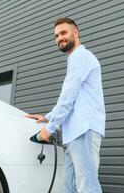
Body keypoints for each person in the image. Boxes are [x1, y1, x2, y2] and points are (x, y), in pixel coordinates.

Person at [26, 17, 105, 193]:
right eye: (56, 36)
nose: (59, 38)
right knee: (69, 186)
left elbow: (67, 97)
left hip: (83, 131)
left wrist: (49, 128)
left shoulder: (81, 56)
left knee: (87, 186)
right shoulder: (75, 60)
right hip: (73, 135)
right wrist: (47, 117)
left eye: (63, 33)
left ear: (75, 32)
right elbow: (71, 98)